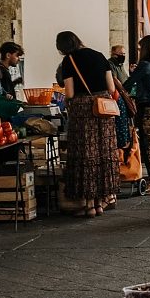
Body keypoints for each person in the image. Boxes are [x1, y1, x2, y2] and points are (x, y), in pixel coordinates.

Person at [57, 31, 119, 218]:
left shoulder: (69, 61)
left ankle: (89, 205)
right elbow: (111, 88)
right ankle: (101, 202)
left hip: (83, 111)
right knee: (103, 153)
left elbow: (69, 93)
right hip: (104, 109)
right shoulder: (99, 56)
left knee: (86, 156)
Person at [124, 35, 150, 195]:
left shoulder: (144, 65)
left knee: (147, 146)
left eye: (141, 48)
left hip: (147, 110)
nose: (139, 51)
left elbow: (128, 84)